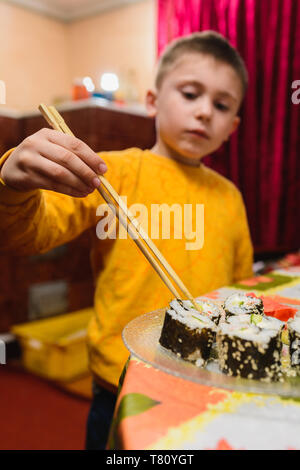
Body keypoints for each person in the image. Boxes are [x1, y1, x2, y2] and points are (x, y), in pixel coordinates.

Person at [0, 31, 253, 449]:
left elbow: (240, 287)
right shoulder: (112, 174)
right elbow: (29, 235)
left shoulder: (230, 196)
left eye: (222, 105)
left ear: (234, 126)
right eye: (191, 94)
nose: (205, 111)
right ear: (153, 100)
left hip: (206, 381)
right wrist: (12, 186)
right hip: (123, 380)